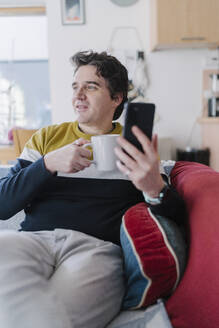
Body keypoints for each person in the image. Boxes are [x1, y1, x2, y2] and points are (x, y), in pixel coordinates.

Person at [0, 51, 185, 328]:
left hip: (95, 250)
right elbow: (3, 204)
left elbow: (178, 215)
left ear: (117, 98)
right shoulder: (46, 138)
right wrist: (48, 164)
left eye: (91, 86)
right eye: (75, 87)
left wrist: (153, 186)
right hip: (34, 241)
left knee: (60, 315)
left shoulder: (133, 145)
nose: (78, 95)